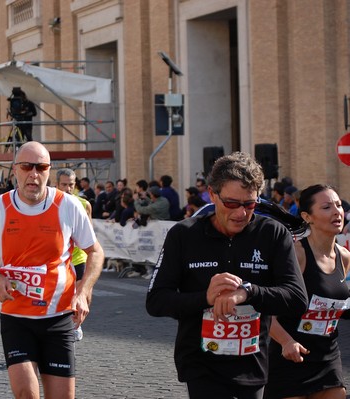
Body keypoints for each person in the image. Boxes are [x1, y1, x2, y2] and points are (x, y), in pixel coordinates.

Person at [146, 151, 308, 399]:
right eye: (231, 203)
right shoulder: (184, 234)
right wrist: (205, 298)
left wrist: (248, 292)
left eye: (250, 204)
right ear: (212, 194)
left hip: (252, 364)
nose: (241, 213)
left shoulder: (272, 234)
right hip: (201, 364)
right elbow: (156, 301)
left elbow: (296, 298)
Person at [0, 141, 104, 398]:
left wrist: (83, 290)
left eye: (41, 167)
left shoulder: (68, 205)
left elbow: (95, 251)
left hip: (58, 317)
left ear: (49, 171)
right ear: (15, 171)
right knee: (26, 394)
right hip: (16, 316)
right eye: (26, 166)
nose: (34, 173)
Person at [265, 184, 350, 399]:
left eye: (338, 205)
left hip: (327, 356)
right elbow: (266, 311)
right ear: (307, 216)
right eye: (326, 207)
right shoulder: (296, 254)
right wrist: (286, 341)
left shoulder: (344, 257)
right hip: (290, 358)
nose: (336, 212)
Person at [56, 168, 93, 341]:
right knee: (62, 295)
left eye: (71, 185)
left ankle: (78, 324)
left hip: (79, 257)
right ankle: (62, 323)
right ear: (56, 185)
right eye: (64, 185)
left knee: (84, 292)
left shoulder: (84, 204)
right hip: (60, 258)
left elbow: (90, 233)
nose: (68, 189)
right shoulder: (51, 204)